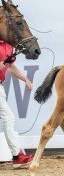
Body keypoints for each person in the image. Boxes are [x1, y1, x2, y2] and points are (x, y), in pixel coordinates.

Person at [0, 40, 34, 168]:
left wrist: (25, 79)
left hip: (0, 86)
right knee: (8, 118)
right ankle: (17, 156)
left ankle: (17, 156)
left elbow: (11, 67)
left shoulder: (9, 45)